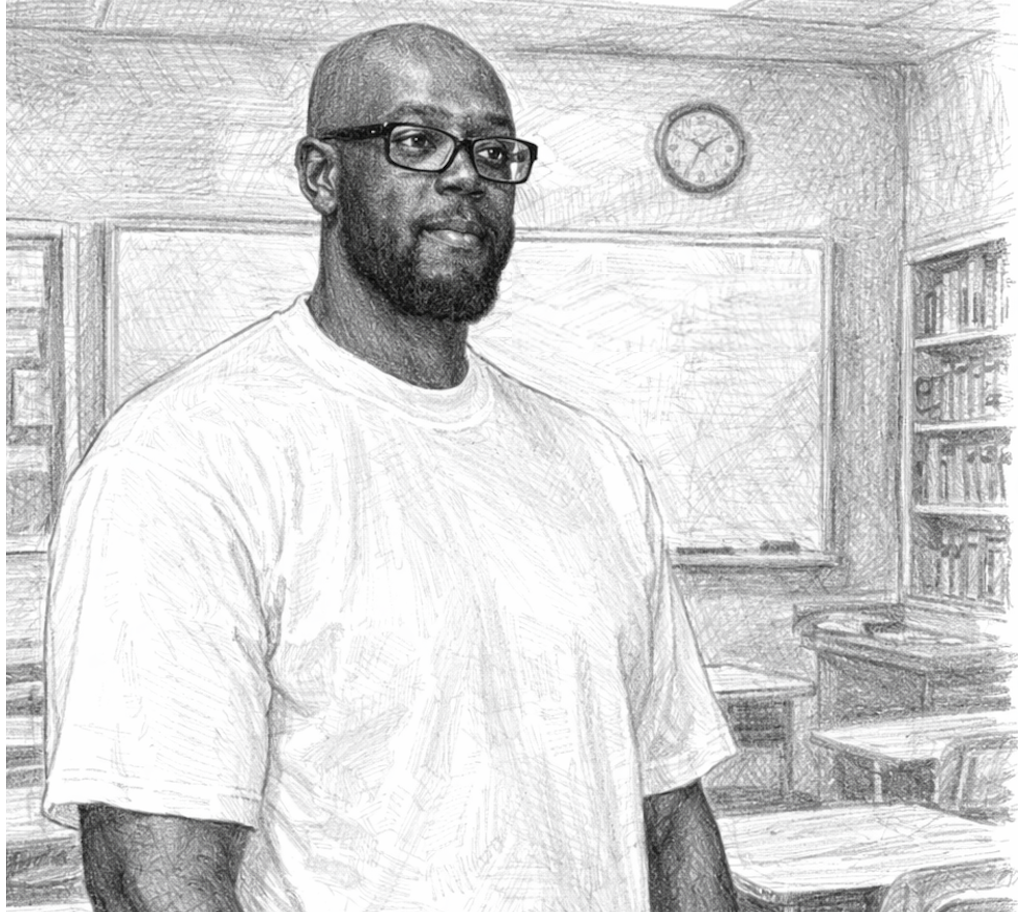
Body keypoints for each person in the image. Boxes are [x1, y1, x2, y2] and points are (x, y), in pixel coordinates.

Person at [43, 22, 738, 912]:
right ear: (321, 175)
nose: (466, 176)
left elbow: (671, 813)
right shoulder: (181, 458)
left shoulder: (595, 465)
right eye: (416, 141)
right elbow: (156, 875)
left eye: (494, 151)